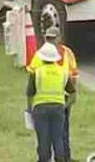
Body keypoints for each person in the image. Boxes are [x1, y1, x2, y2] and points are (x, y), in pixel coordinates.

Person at [28, 26, 79, 160]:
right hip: (58, 102)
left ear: (59, 38)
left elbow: (74, 76)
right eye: (48, 38)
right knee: (56, 136)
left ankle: (62, 158)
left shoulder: (67, 54)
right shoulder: (40, 55)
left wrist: (30, 108)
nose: (50, 40)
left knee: (59, 135)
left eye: (53, 38)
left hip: (56, 102)